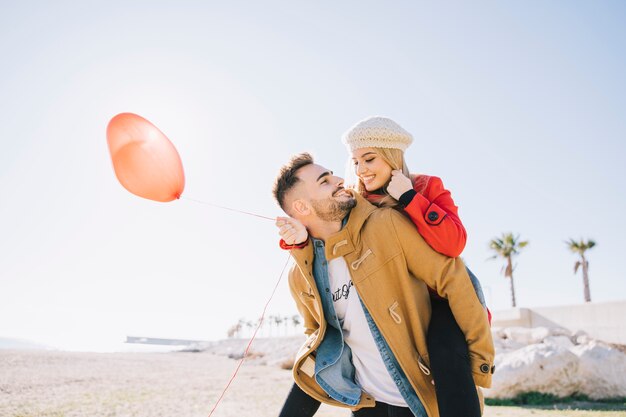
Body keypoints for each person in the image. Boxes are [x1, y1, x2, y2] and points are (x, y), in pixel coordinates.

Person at [277, 117, 489, 417]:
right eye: (355, 161)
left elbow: (454, 251)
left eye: (369, 158)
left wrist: (410, 197)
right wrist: (300, 244)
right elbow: (328, 229)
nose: (355, 172)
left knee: (446, 349)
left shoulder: (421, 189)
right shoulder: (357, 198)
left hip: (437, 307)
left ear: (391, 156)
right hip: (372, 395)